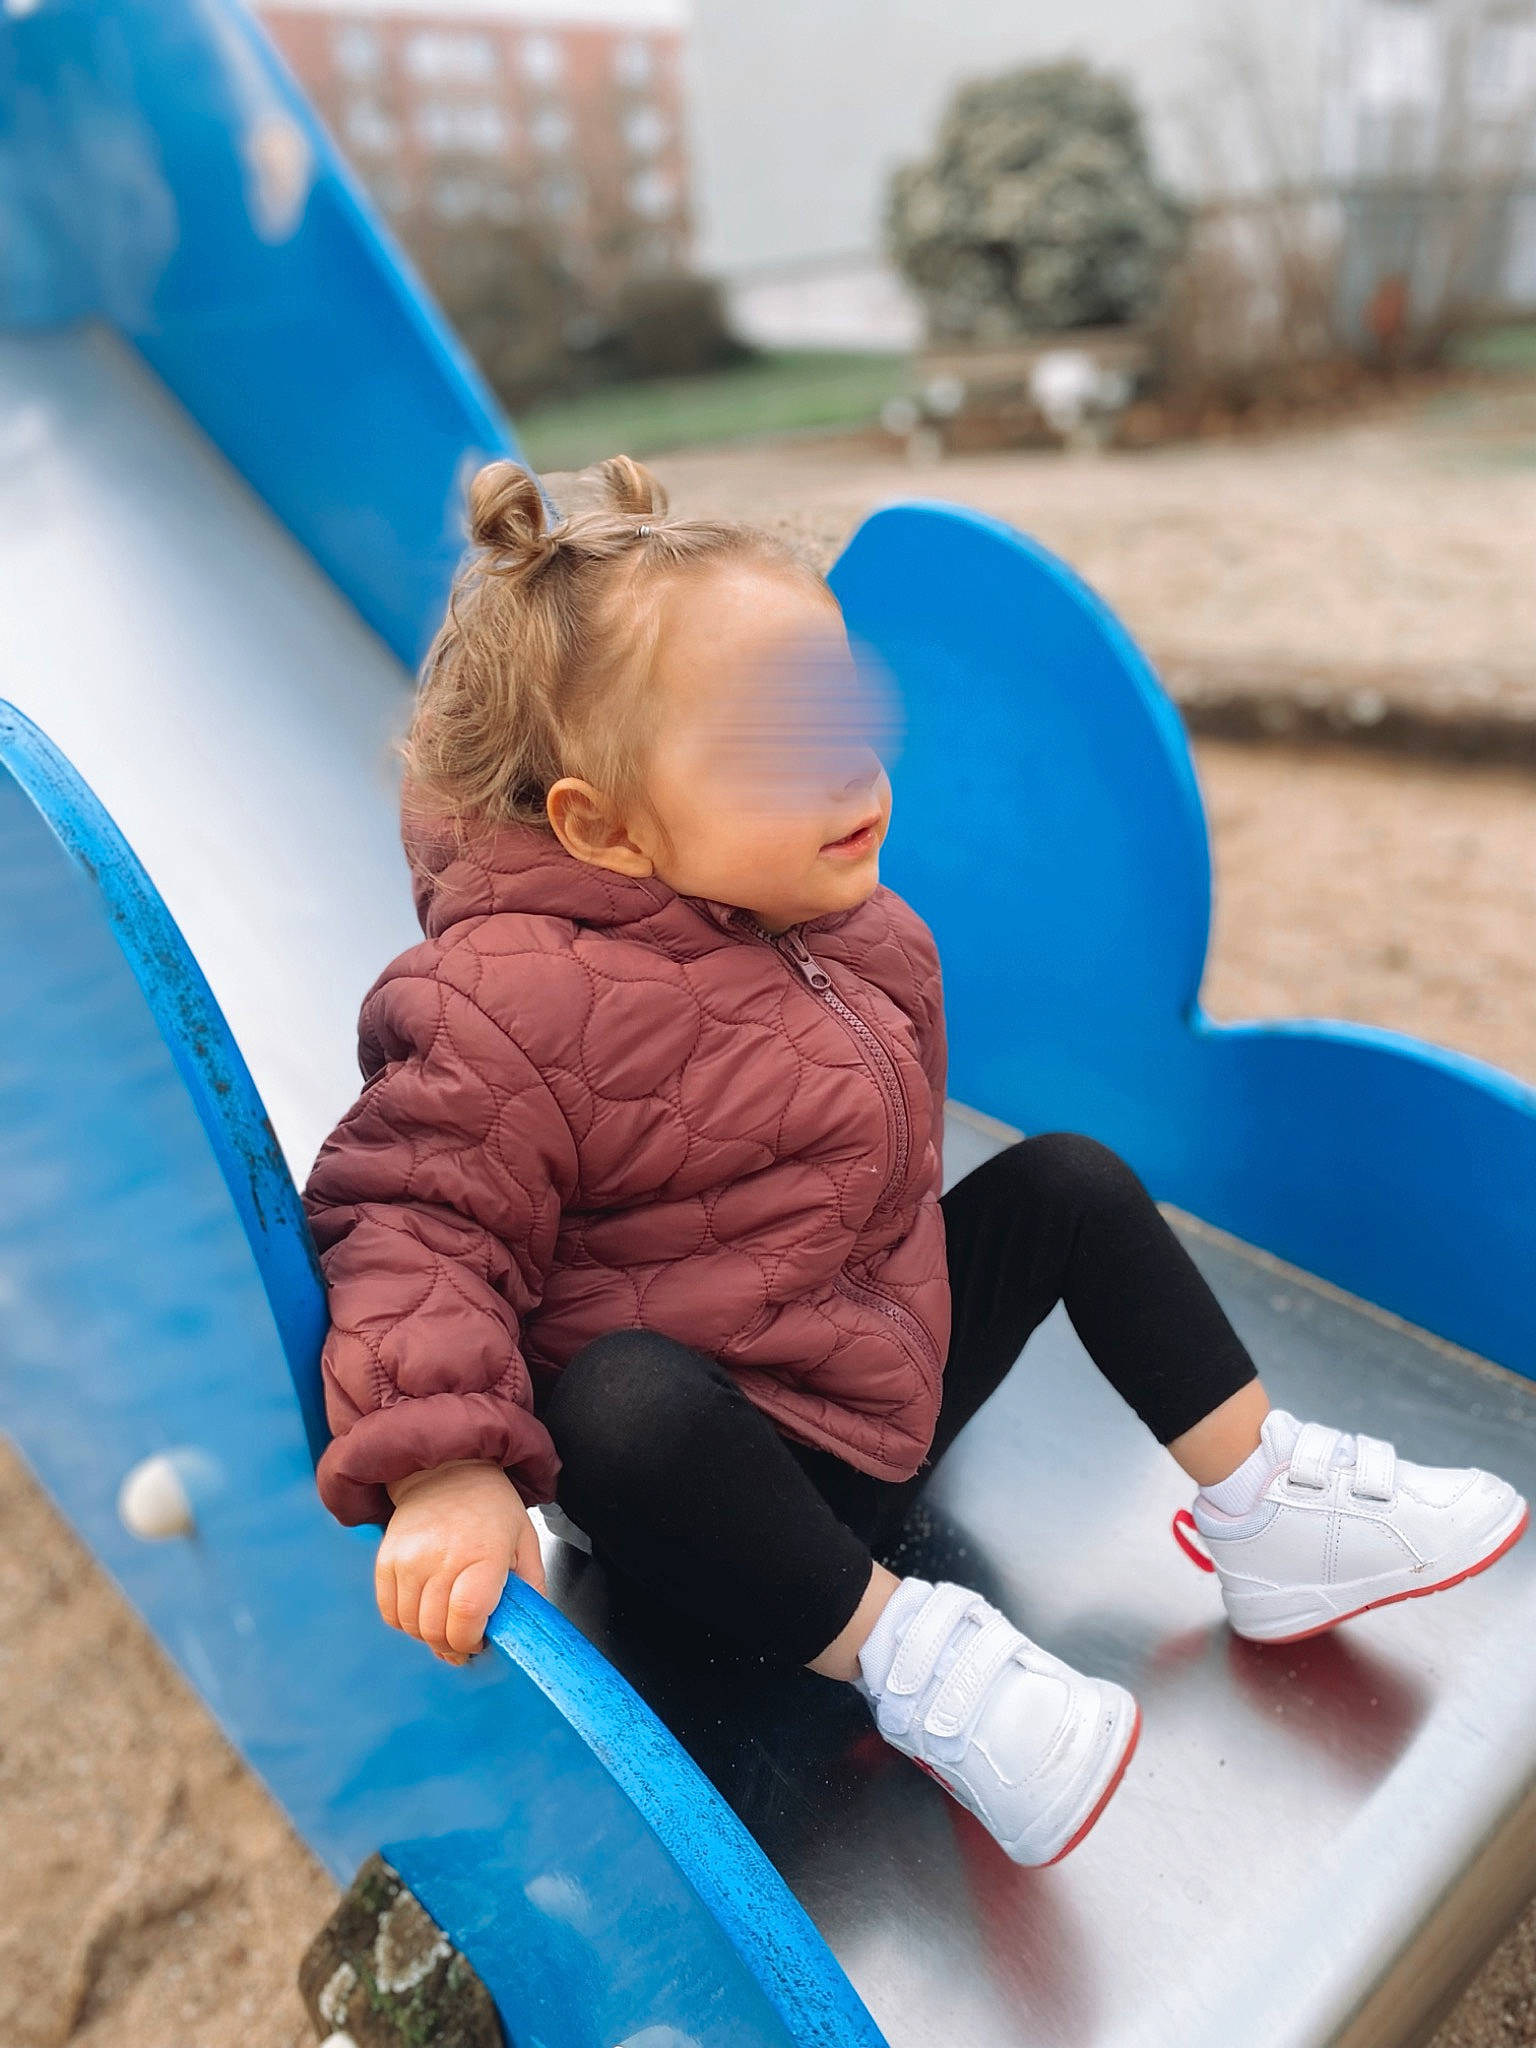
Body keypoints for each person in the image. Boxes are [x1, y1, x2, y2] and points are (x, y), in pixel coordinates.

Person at [302, 456, 1530, 1869]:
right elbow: (412, 1227)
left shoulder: (833, 924)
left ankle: (1268, 1505)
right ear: (604, 827)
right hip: (713, 1511)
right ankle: (916, 1663)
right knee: (618, 1403)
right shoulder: (497, 1002)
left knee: (1069, 1182)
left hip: (874, 1405)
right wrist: (447, 1470)